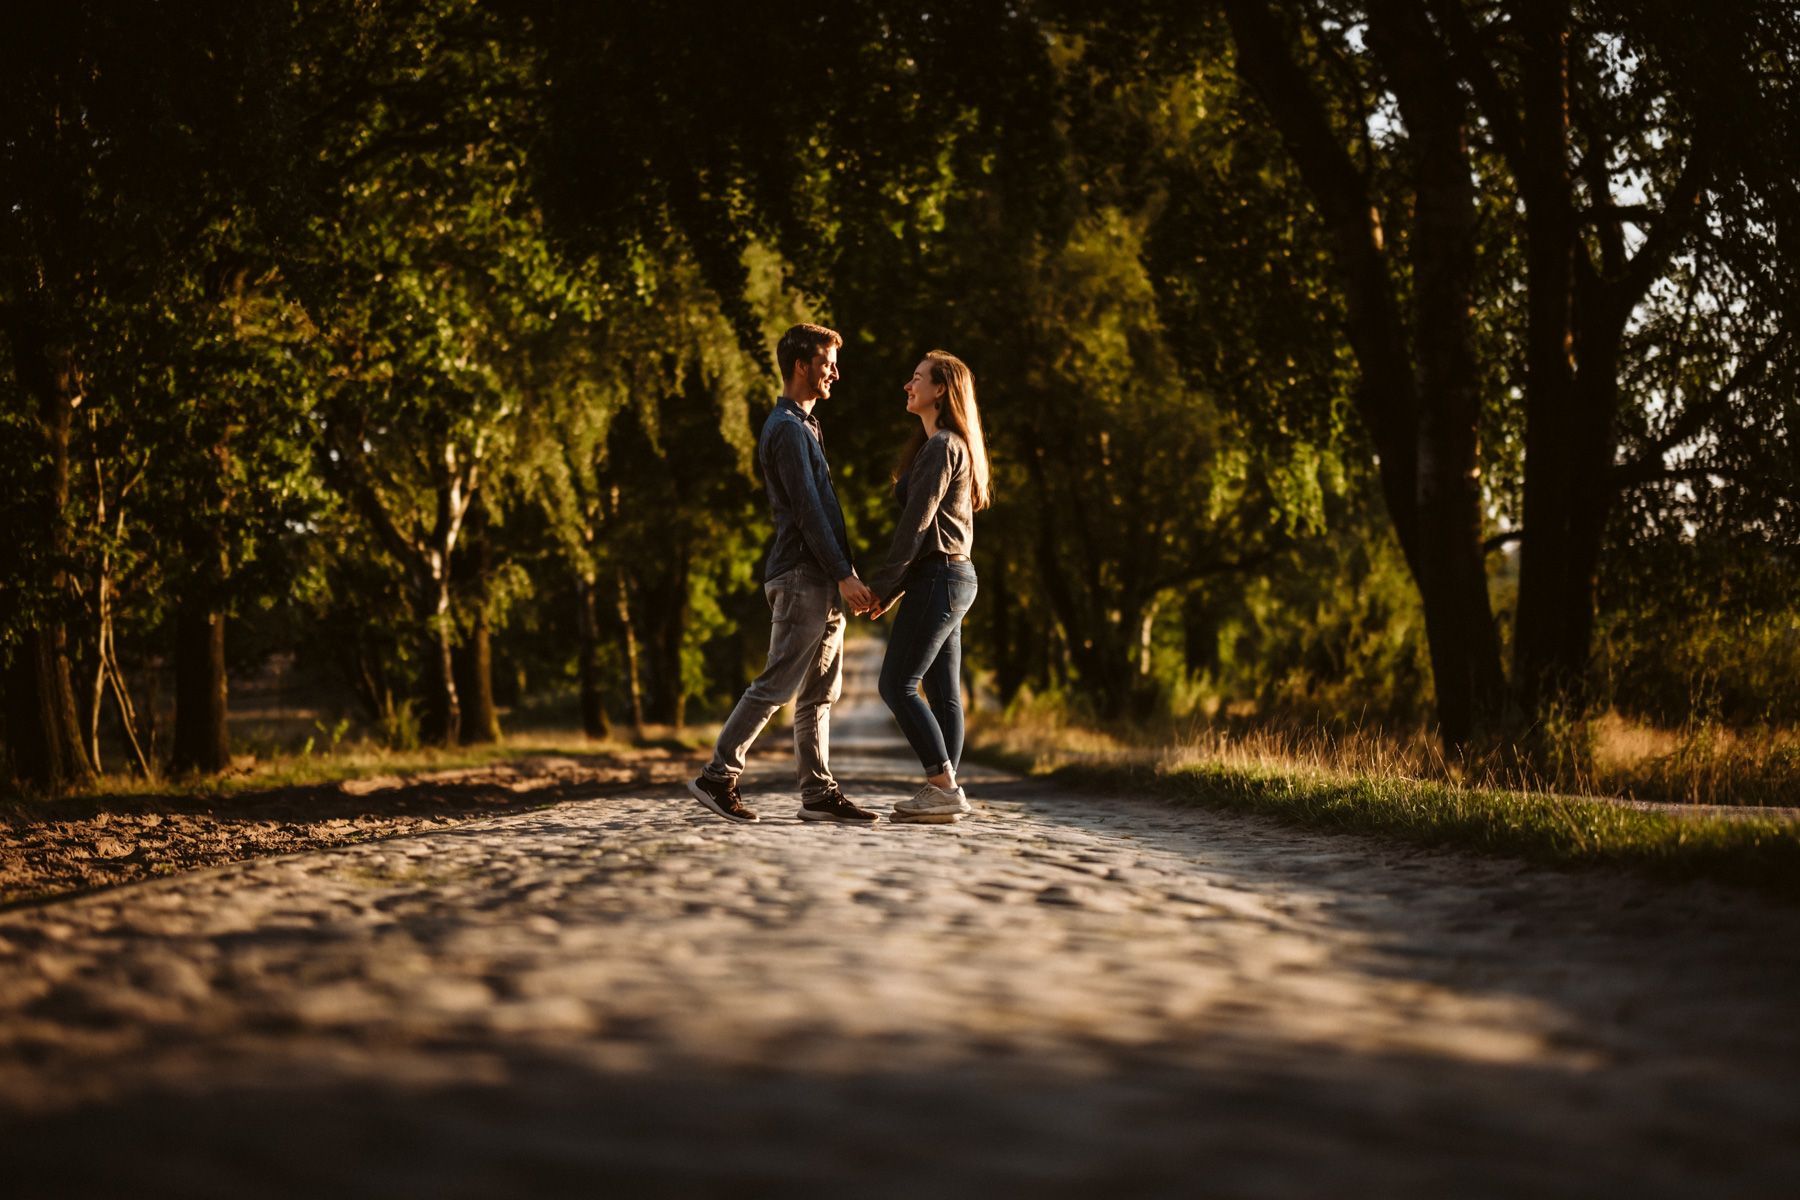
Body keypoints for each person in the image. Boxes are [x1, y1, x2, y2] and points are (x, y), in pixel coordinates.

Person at [688, 323, 881, 824]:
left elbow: (823, 512)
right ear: (802, 365)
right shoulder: (788, 429)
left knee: (820, 693)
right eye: (827, 362)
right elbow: (808, 511)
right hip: (802, 576)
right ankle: (717, 776)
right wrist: (842, 573)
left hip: (821, 577)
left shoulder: (807, 426)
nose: (835, 372)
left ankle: (818, 793)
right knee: (777, 684)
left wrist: (846, 573)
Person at [865, 350, 991, 821]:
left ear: (941, 389)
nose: (907, 385)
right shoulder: (947, 445)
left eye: (916, 378)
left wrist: (882, 586)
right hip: (952, 576)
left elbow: (916, 528)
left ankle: (943, 786)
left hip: (940, 577)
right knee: (944, 695)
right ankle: (944, 792)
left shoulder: (942, 448)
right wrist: (897, 590)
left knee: (897, 684)